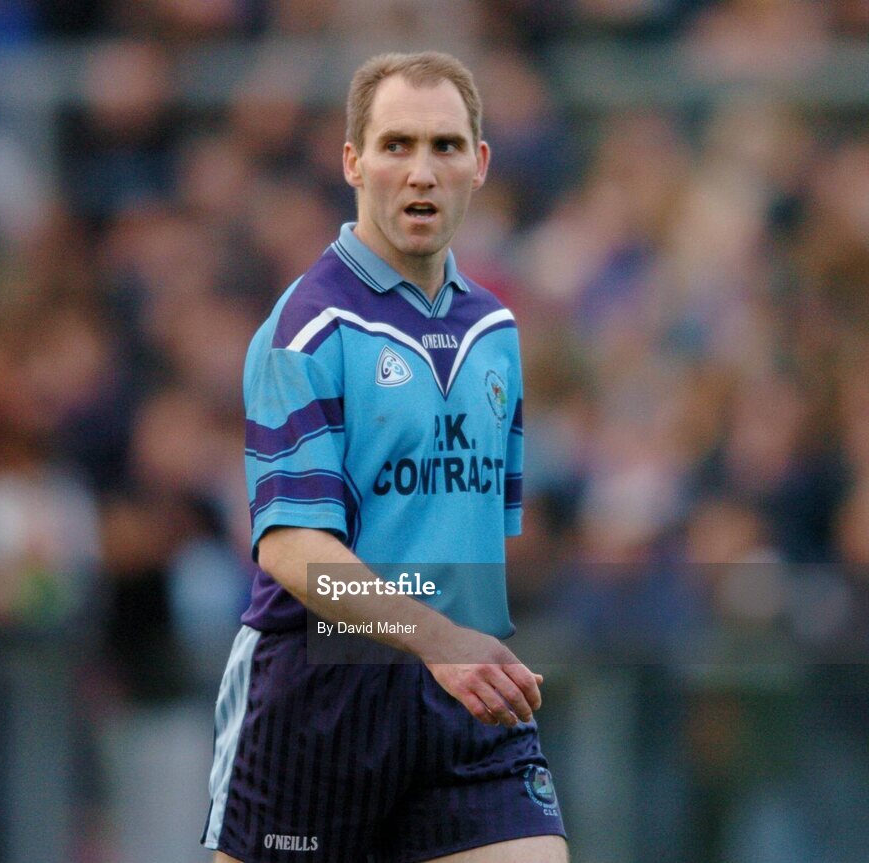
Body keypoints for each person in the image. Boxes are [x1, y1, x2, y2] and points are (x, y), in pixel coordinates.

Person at [202, 51, 569, 862]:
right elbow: (295, 551)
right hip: (320, 700)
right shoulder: (308, 330)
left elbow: (477, 538)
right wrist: (438, 639)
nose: (420, 172)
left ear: (479, 164)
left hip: (462, 704)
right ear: (352, 162)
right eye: (396, 145)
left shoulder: (495, 334)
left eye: (444, 147)